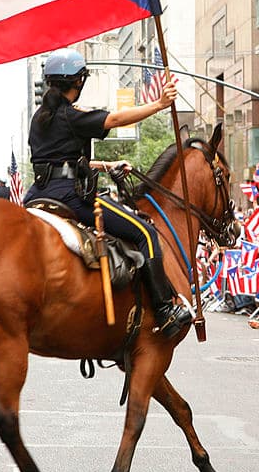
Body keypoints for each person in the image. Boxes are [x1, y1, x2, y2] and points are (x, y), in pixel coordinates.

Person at [23, 47, 191, 337]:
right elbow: (113, 119)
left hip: (36, 194)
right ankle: (165, 308)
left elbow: (60, 160)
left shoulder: (40, 118)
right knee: (145, 232)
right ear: (78, 82)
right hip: (69, 195)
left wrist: (105, 164)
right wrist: (160, 104)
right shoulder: (70, 116)